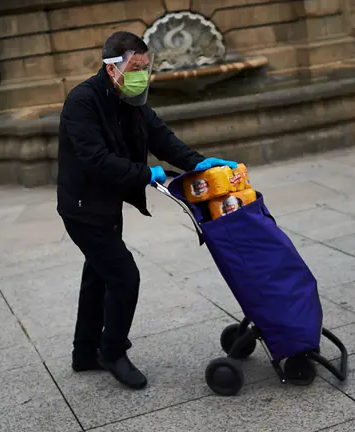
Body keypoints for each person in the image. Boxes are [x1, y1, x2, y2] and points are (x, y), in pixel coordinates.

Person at [56, 31, 238, 390]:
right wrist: (144, 173)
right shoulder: (82, 102)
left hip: (106, 206)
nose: (143, 74)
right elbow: (94, 160)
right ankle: (112, 351)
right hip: (83, 208)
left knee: (98, 275)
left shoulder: (131, 100)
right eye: (136, 67)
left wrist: (201, 165)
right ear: (112, 68)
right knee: (124, 278)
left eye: (146, 67)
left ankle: (83, 353)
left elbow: (162, 139)